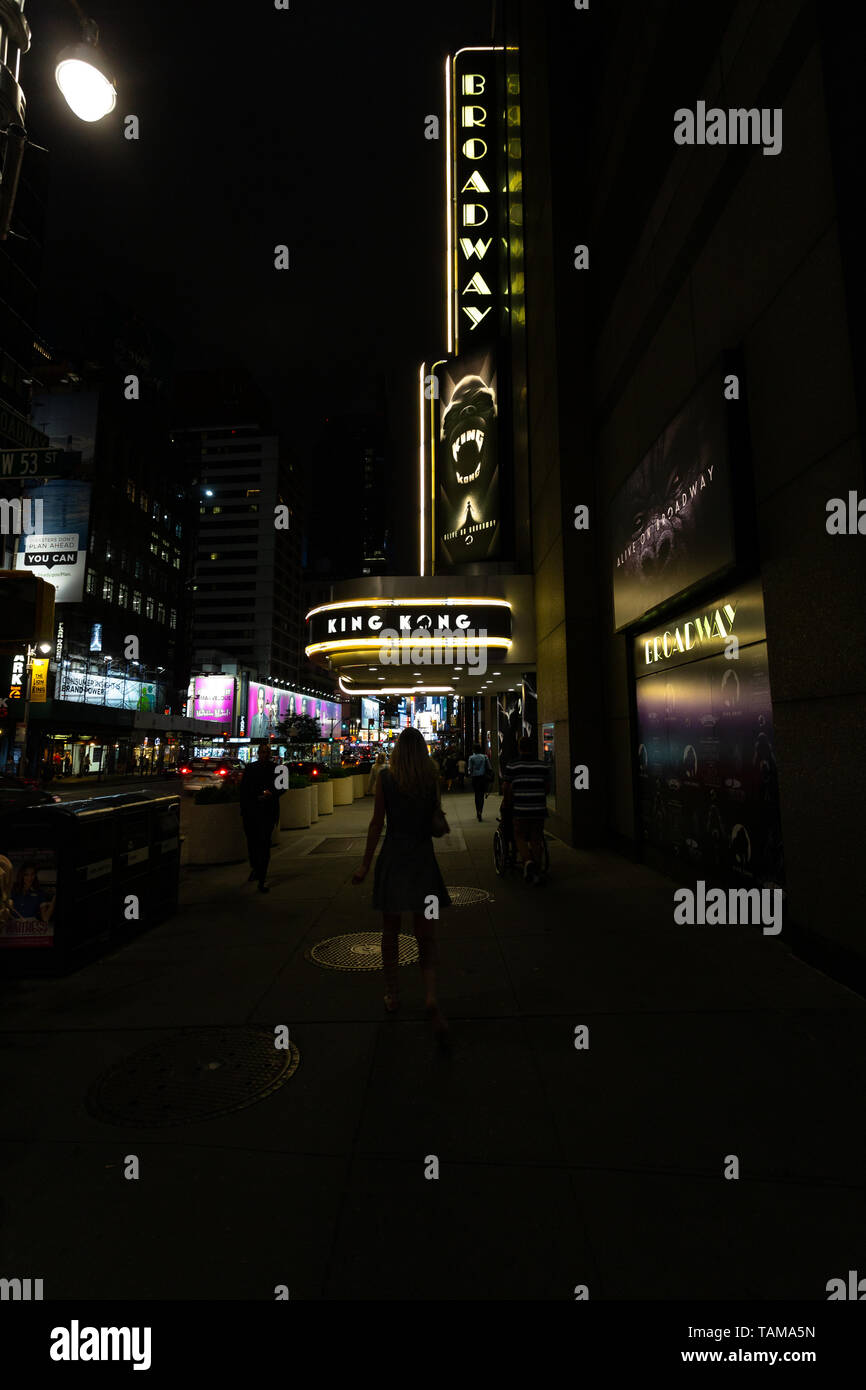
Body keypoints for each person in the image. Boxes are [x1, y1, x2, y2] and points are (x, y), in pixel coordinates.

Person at [351, 727, 452, 1047]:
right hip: (423, 860)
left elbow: (376, 822)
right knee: (426, 935)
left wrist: (365, 864)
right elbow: (437, 822)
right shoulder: (430, 779)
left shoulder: (385, 778)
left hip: (394, 859)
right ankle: (431, 995)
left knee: (390, 931)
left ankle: (392, 993)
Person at [502, 736, 551, 884]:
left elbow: (506, 787)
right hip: (538, 809)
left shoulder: (512, 766)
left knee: (519, 836)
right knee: (536, 838)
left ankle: (528, 861)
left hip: (520, 809)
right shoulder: (543, 766)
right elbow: (547, 788)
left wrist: (508, 802)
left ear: (519, 748)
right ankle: (536, 870)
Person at [239, 740, 284, 893]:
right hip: (252, 812)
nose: (264, 754)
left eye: (267, 752)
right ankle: (256, 868)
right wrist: (253, 799)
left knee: (264, 844)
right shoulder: (250, 768)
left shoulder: (277, 768)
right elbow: (244, 790)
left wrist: (272, 794)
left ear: (270, 754)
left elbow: (283, 788)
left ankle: (262, 878)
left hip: (268, 812)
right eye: (262, 752)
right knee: (252, 844)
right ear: (258, 753)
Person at [467, 742, 492, 821]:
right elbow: (489, 767)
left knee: (476, 795)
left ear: (474, 750)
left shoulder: (471, 758)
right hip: (483, 778)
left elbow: (470, 769)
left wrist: (470, 773)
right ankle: (480, 811)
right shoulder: (485, 757)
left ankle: (477, 811)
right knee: (481, 795)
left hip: (475, 778)